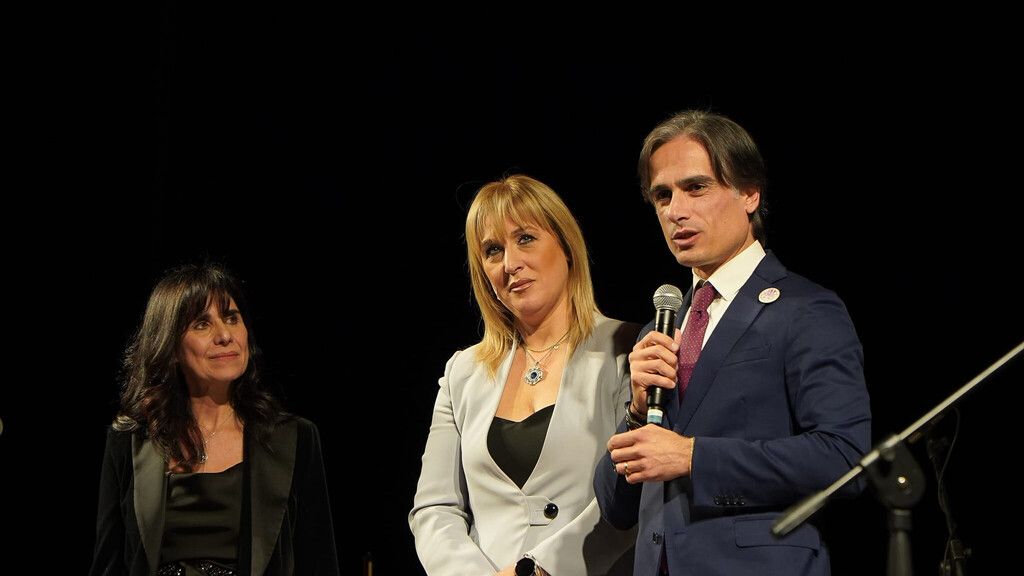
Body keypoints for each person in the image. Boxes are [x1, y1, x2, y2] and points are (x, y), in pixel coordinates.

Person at [594, 110, 872, 576]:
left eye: (696, 187)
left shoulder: (805, 309)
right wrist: (638, 411)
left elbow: (845, 459)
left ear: (749, 193)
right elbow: (616, 508)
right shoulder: (659, 331)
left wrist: (693, 457)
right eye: (662, 195)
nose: (675, 211)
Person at [409, 175, 638, 576]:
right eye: (493, 250)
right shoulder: (463, 372)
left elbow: (633, 493)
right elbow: (434, 508)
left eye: (526, 239)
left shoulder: (627, 350)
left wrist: (539, 569)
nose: (510, 264)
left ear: (566, 247)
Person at [89, 263, 340, 576]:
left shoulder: (295, 437)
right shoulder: (130, 440)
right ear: (171, 346)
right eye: (201, 324)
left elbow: (319, 563)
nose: (224, 335)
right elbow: (108, 565)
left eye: (232, 318)